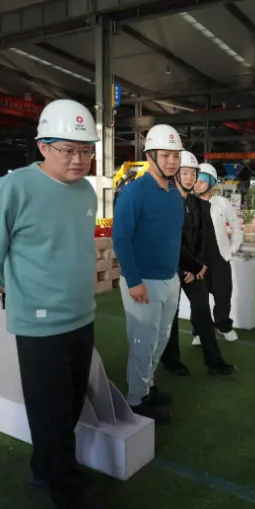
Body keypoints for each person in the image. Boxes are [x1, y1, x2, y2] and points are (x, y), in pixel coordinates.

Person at [0, 99, 116, 509]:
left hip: (81, 317)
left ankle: (45, 467)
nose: (78, 159)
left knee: (68, 408)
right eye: (67, 150)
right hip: (38, 326)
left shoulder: (85, 191)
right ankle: (70, 506)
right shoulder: (13, 189)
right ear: (42, 147)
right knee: (52, 416)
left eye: (85, 150)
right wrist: (24, 290)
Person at [112, 124, 184, 425]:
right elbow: (121, 238)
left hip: (170, 279)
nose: (172, 161)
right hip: (143, 282)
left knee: (161, 338)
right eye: (165, 155)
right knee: (143, 342)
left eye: (176, 156)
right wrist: (134, 281)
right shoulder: (133, 192)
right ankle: (136, 399)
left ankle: (147, 386)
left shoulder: (175, 194)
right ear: (150, 156)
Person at [160, 152, 237, 377]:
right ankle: (172, 361)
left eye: (193, 173)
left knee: (202, 310)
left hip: (193, 269)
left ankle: (215, 363)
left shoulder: (200, 205)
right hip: (173, 269)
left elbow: (203, 239)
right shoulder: (166, 202)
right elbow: (169, 240)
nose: (189, 178)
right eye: (184, 173)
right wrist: (187, 267)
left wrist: (198, 265)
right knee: (170, 315)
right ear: (176, 174)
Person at [191, 163, 243, 345]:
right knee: (199, 298)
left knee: (223, 294)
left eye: (202, 180)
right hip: (197, 259)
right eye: (195, 180)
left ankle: (223, 325)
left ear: (212, 182)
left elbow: (236, 226)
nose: (197, 184)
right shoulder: (188, 203)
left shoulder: (222, 203)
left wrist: (232, 249)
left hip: (220, 257)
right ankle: (199, 331)